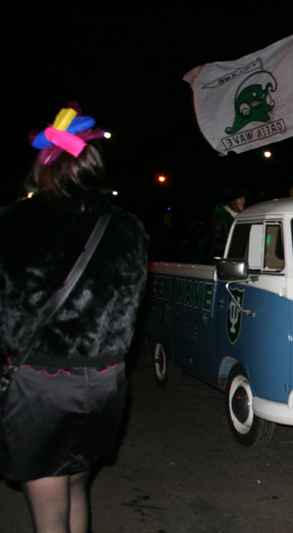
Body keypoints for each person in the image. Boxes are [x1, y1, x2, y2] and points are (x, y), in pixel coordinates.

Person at [0, 104, 148, 533]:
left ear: (44, 165)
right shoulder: (129, 227)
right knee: (77, 485)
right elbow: (129, 308)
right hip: (103, 382)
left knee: (48, 505)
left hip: (40, 382)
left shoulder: (13, 223)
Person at [205, 184, 246, 261]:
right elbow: (214, 245)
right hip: (220, 262)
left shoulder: (242, 217)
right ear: (232, 201)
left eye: (243, 198)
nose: (243, 201)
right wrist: (235, 246)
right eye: (240, 198)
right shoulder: (219, 218)